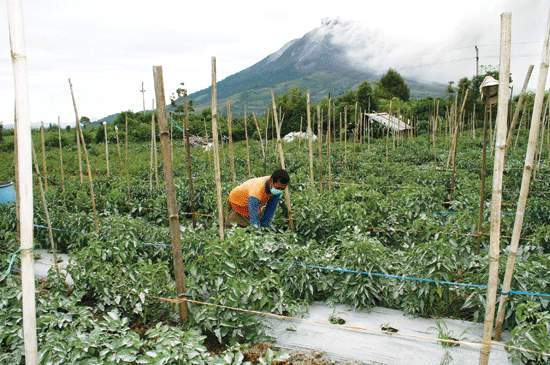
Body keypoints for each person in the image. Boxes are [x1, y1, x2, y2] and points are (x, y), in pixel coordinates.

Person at [224, 169, 289, 229]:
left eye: (282, 188)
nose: (279, 190)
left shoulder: (276, 188)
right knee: (235, 227)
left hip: (252, 205)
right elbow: (254, 216)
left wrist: (265, 226)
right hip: (237, 202)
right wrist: (258, 234)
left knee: (257, 226)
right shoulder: (257, 190)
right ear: (270, 181)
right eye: (278, 187)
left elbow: (271, 209)